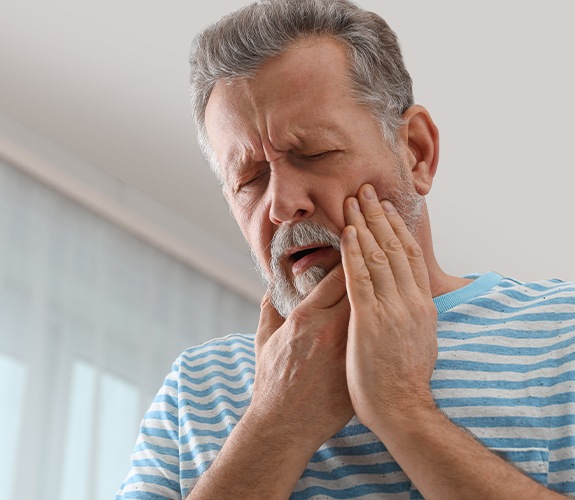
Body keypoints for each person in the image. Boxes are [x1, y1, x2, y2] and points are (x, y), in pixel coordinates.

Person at [117, 0, 575, 498]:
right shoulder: (197, 388)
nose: (283, 204)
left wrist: (401, 409)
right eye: (250, 179)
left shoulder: (563, 330)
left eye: (314, 153)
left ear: (416, 152)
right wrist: (277, 421)